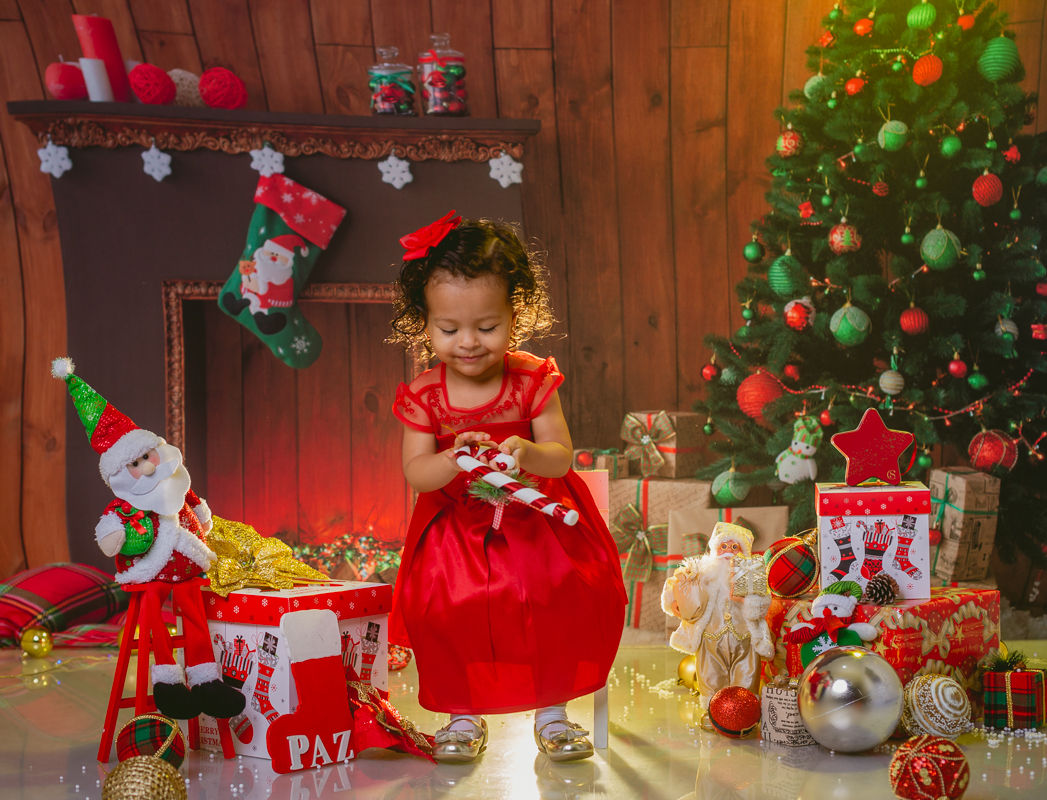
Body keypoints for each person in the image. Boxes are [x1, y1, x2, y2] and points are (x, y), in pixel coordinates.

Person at [387, 211, 626, 762]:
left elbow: (561, 454)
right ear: (424, 323)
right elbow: (416, 472)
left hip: (538, 523)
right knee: (450, 608)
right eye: (449, 330)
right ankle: (462, 717)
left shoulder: (531, 380)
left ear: (514, 315)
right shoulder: (426, 395)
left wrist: (527, 454)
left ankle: (552, 714)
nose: (468, 343)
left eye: (487, 327)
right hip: (456, 531)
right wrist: (452, 459)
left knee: (555, 602)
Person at [51, 357, 246, 721]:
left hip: (187, 570)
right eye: (136, 463)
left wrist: (204, 518)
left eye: (147, 455)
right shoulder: (126, 504)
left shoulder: (176, 487)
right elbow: (110, 526)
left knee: (195, 615)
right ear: (120, 473)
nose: (148, 466)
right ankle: (168, 682)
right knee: (154, 615)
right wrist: (114, 536)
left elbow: (197, 508)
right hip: (151, 573)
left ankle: (206, 681)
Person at [662, 522, 774, 718]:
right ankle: (712, 713)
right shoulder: (703, 572)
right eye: (723, 546)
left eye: (734, 547)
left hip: (744, 638)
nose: (728, 552)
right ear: (715, 549)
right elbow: (676, 583)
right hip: (710, 638)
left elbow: (764, 603)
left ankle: (744, 714)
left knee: (746, 677)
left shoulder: (752, 574)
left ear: (743, 551)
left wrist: (743, 599)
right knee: (710, 676)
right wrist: (673, 602)